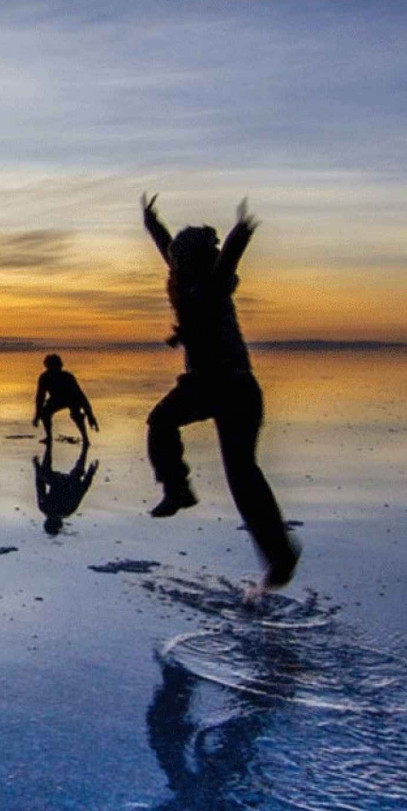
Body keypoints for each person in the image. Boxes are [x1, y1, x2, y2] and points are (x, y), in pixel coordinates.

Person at [140, 193, 299, 588]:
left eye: (182, 257)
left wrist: (240, 233)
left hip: (233, 387)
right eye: (176, 257)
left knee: (241, 474)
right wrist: (152, 223)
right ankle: (178, 490)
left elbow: (228, 261)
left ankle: (279, 558)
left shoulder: (211, 285)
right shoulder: (184, 280)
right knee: (161, 423)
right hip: (204, 385)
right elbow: (167, 250)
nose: (175, 262)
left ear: (195, 259)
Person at [34, 439, 99, 536]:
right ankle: (50, 446)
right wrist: (37, 468)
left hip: (61, 482)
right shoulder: (48, 508)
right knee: (73, 476)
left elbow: (40, 487)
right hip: (65, 482)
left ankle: (83, 450)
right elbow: (40, 486)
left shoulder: (64, 510)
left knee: (75, 475)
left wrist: (90, 473)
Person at [33, 353, 99, 445]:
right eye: (52, 366)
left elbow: (81, 396)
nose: (55, 369)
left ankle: (85, 438)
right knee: (45, 413)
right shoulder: (44, 377)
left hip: (71, 398)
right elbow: (40, 397)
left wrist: (90, 416)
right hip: (55, 399)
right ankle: (49, 437)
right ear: (47, 367)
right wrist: (37, 415)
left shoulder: (67, 376)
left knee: (77, 415)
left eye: (57, 366)